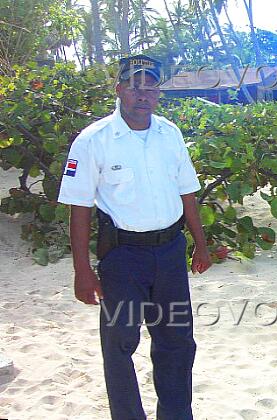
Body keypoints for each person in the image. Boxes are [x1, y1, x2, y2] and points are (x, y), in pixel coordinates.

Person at [58, 54, 211, 420]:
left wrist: (200, 244)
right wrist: (83, 271)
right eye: (134, 85)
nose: (143, 93)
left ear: (158, 92)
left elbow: (187, 192)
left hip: (171, 254)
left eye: (150, 86)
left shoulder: (169, 133)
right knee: (120, 345)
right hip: (123, 258)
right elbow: (79, 208)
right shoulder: (94, 140)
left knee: (176, 342)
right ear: (119, 90)